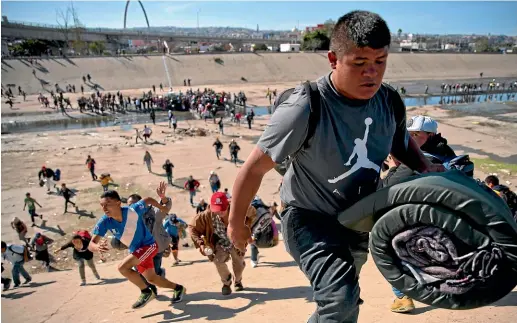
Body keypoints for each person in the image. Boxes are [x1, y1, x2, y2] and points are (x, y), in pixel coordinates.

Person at [227, 10, 445, 323]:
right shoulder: (305, 106)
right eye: (359, 63)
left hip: (359, 221)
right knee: (342, 302)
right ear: (333, 59)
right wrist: (236, 224)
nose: (371, 72)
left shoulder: (389, 101)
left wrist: (424, 167)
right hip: (309, 218)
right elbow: (252, 168)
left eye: (380, 61)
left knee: (341, 299)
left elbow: (400, 142)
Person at [88, 190, 186, 309]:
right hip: (136, 251)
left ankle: (145, 292)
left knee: (122, 267)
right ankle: (178, 288)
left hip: (149, 246)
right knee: (152, 279)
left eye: (107, 204)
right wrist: (97, 247)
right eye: (102, 205)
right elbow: (91, 243)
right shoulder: (105, 221)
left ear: (118, 203)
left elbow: (147, 200)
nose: (104, 208)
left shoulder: (132, 211)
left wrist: (162, 207)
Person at [189, 192, 255, 295]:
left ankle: (237, 281)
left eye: (223, 208)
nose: (220, 212)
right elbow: (192, 228)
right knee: (218, 261)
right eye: (217, 209)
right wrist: (200, 243)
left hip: (236, 242)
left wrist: (238, 203)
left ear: (228, 205)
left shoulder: (236, 210)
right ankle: (226, 282)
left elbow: (252, 212)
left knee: (239, 265)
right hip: (221, 242)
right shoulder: (208, 215)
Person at [127, 183, 172, 288]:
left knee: (153, 274)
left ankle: (158, 277)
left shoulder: (152, 212)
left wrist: (163, 198)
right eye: (129, 205)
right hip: (138, 250)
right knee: (142, 274)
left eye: (134, 204)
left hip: (155, 249)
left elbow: (165, 208)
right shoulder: (127, 218)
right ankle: (151, 288)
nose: (132, 207)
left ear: (140, 204)